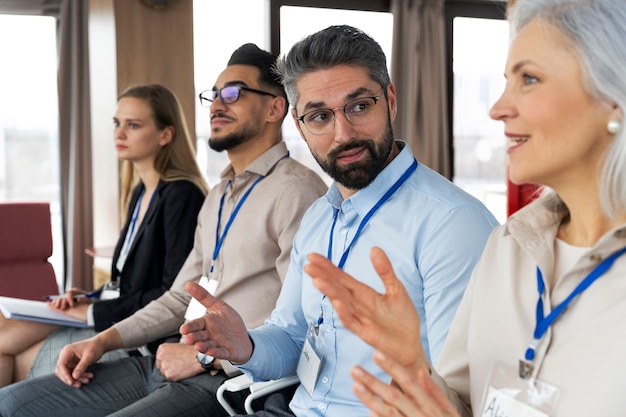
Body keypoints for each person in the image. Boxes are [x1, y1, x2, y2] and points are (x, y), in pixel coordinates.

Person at [305, 1, 626, 416]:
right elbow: (461, 401)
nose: (498, 108)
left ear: (614, 94)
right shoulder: (507, 248)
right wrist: (413, 369)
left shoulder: (459, 223)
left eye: (529, 79)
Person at [179, 25, 499, 416]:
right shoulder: (317, 218)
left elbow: (463, 394)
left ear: (391, 101)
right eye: (319, 116)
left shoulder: (452, 224)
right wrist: (244, 345)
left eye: (360, 106)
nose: (343, 133)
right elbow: (292, 336)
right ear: (298, 125)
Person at [0, 43, 327, 417]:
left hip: (225, 379)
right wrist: (102, 342)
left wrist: (206, 360)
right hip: (169, 358)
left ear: (275, 108)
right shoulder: (218, 194)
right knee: (10, 402)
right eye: (214, 95)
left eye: (234, 93)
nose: (217, 104)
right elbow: (177, 299)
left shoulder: (297, 191)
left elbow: (307, 321)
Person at [0, 83, 208, 387]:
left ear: (166, 134)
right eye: (117, 123)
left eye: (133, 125)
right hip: (113, 315)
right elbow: (130, 282)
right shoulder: (141, 192)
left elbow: (172, 294)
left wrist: (94, 310)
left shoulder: (182, 195)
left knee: (13, 356)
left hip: (138, 338)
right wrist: (90, 296)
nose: (119, 133)